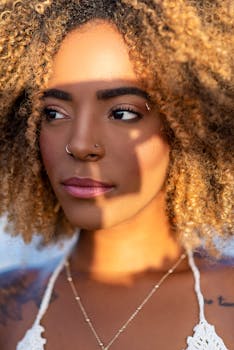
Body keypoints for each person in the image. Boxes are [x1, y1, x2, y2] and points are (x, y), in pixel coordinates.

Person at [0, 0, 233, 349]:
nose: (80, 144)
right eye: (53, 113)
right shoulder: (8, 306)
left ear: (186, 125)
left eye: (122, 113)